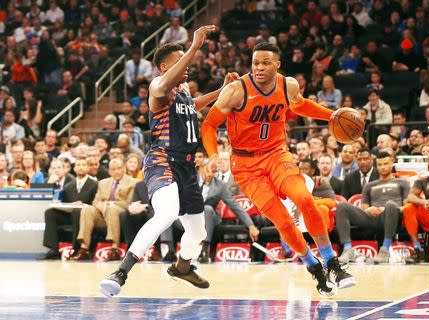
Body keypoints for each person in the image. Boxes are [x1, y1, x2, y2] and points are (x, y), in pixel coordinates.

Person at [201, 42, 355, 296]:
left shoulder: (288, 85)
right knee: (283, 220)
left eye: (265, 63)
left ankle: (331, 262)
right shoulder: (235, 90)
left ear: (277, 64)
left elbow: (300, 104)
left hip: (276, 154)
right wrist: (213, 156)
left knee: (305, 198)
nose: (259, 68)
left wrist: (330, 116)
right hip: (246, 165)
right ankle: (313, 267)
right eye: (255, 63)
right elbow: (208, 125)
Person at [100, 26, 238, 296]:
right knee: (166, 213)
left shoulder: (183, 91)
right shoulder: (157, 85)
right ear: (164, 66)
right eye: (179, 59)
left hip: (186, 167)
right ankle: (121, 272)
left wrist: (221, 91)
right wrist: (194, 47)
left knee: (197, 232)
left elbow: (193, 105)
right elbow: (164, 83)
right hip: (162, 159)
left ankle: (183, 267)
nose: (186, 64)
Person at [335, 152, 409, 264]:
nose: (382, 167)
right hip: (373, 218)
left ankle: (384, 250)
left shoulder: (402, 182)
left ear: (392, 163)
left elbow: (407, 206)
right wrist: (368, 210)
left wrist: (387, 209)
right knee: (342, 206)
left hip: (392, 216)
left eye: (385, 164)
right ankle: (347, 249)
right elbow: (364, 208)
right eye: (379, 164)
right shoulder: (369, 185)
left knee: (390, 204)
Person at [40, 159, 98, 260]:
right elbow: (66, 202)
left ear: (88, 168)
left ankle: (76, 249)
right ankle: (53, 249)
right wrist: (59, 204)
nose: (80, 167)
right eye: (78, 165)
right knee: (50, 212)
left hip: (87, 216)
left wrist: (83, 204)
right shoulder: (69, 185)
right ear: (74, 168)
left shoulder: (95, 184)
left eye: (83, 165)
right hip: (71, 214)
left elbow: (96, 203)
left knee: (77, 211)